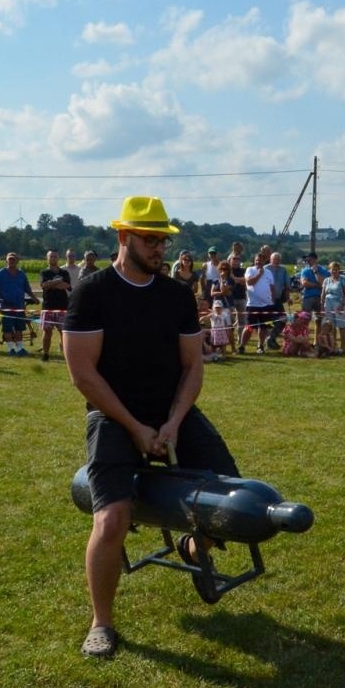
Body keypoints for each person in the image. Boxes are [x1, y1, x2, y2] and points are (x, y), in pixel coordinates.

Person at [62, 195, 240, 659]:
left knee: (231, 500)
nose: (159, 247)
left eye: (164, 239)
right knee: (111, 519)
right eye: (150, 238)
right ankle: (101, 623)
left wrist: (175, 422)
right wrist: (136, 428)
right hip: (112, 415)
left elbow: (192, 367)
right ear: (123, 237)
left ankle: (190, 543)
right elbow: (83, 375)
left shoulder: (177, 295)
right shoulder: (92, 293)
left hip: (172, 411)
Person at [0, 252, 35, 356]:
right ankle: (11, 349)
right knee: (7, 328)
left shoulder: (22, 274)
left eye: (14, 259)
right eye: (10, 259)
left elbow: (27, 289)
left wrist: (35, 298)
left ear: (17, 261)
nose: (12, 261)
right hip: (5, 306)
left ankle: (20, 349)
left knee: (19, 328)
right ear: (6, 260)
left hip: (19, 306)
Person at [39, 249, 71, 362]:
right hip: (48, 307)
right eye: (51, 256)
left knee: (64, 332)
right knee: (47, 332)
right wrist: (57, 282)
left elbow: (66, 286)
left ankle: (65, 355)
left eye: (55, 256)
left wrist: (51, 284)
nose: (53, 258)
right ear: (47, 258)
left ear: (58, 258)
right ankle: (45, 354)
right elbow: (44, 285)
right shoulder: (44, 272)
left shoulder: (64, 273)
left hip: (62, 307)